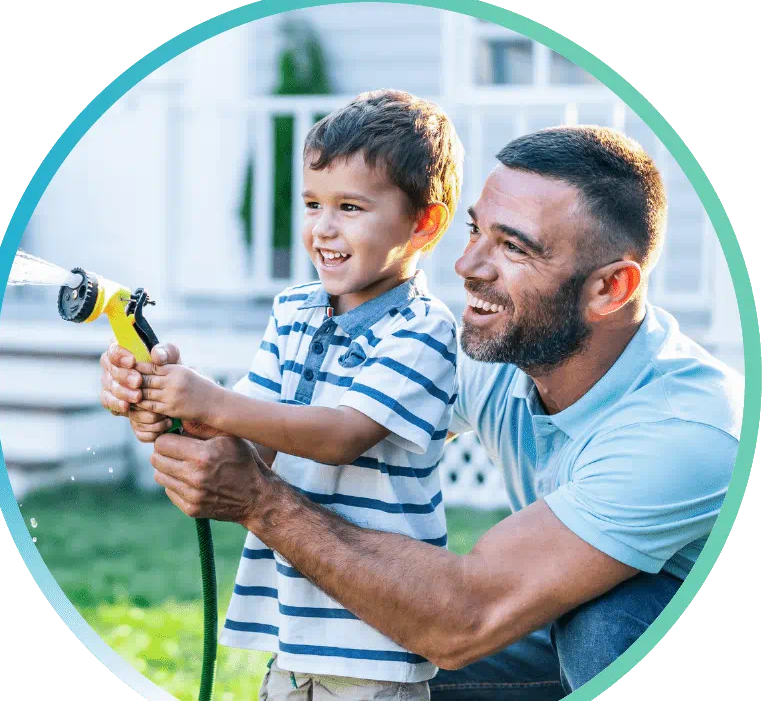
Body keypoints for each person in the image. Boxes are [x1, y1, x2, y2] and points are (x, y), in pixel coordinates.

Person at [101, 125, 743, 699]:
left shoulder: (686, 430)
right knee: (383, 648)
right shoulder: (488, 350)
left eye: (514, 249)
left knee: (606, 626)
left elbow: (465, 619)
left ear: (610, 287)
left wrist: (258, 501)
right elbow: (288, 426)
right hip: (555, 629)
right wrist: (171, 405)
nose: (466, 267)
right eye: (475, 232)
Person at [105, 90, 465, 700]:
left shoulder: (424, 329)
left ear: (422, 223)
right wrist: (161, 401)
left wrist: (209, 401)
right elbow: (246, 439)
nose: (323, 227)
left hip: (376, 641)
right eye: (312, 204)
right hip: (293, 631)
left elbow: (341, 435)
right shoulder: (293, 311)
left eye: (350, 207)